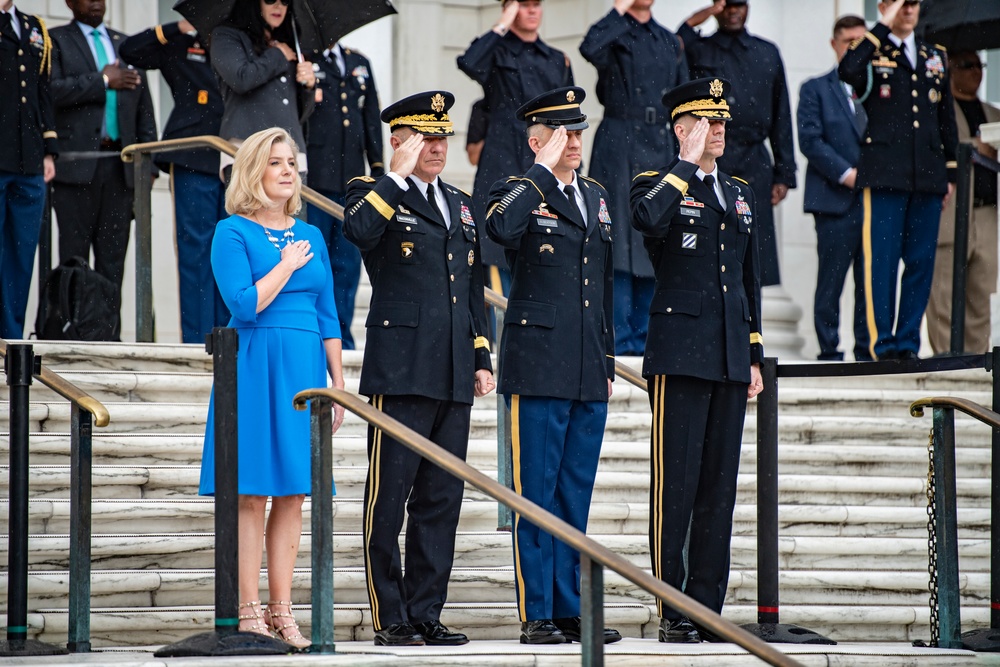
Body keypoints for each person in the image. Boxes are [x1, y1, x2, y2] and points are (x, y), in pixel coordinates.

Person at [343, 91, 494, 647]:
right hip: (401, 369)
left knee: (440, 500)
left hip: (453, 370)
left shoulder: (459, 202)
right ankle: (391, 615)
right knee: (389, 496)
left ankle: (427, 611)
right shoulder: (372, 193)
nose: (437, 147)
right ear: (399, 142)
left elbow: (472, 287)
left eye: (441, 137)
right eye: (425, 137)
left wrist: (481, 353)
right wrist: (394, 178)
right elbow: (358, 233)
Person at [198, 127, 345, 648]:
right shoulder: (231, 232)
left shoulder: (314, 234)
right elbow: (242, 304)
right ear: (253, 171)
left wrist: (339, 381)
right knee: (251, 492)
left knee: (294, 493)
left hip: (306, 365)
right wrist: (284, 264)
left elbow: (329, 312)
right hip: (255, 363)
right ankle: (247, 607)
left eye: (292, 163)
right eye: (276, 162)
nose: (288, 171)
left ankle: (283, 610)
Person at [630, 77, 764, 643]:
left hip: (731, 355)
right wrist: (684, 165)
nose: (720, 131)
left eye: (724, 123)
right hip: (681, 353)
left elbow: (748, 276)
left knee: (718, 488)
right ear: (682, 131)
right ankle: (672, 608)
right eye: (708, 123)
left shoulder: (738, 190)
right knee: (677, 486)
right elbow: (648, 222)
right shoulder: (656, 183)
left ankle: (707, 607)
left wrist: (754, 351)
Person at [485, 87, 620, 646]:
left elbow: (603, 285)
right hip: (537, 363)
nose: (575, 143)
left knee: (573, 492)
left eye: (579, 132)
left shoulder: (594, 194)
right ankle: (535, 609)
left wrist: (608, 357)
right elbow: (500, 232)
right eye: (563, 134)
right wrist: (540, 172)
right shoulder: (516, 189)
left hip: (587, 364)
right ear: (537, 141)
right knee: (533, 492)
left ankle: (569, 607)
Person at [839, 0, 958, 360]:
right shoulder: (874, 48)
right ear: (884, 6)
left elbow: (944, 116)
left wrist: (950, 172)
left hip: (927, 175)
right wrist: (881, 26)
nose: (909, 9)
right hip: (885, 173)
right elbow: (847, 70)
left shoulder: (934, 54)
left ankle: (907, 343)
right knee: (883, 261)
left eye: (914, 3)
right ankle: (882, 345)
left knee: (921, 262)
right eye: (901, 3)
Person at [579, 0, 688, 357]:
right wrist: (618, 10)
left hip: (660, 141)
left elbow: (682, 97)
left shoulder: (669, 40)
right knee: (616, 235)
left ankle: (645, 334)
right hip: (619, 142)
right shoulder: (613, 30)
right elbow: (589, 48)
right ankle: (618, 335)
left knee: (654, 232)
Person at [49, 0, 157, 339]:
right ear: (69, 2)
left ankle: (108, 335)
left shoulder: (125, 44)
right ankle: (72, 332)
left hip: (120, 169)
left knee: (113, 260)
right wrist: (101, 81)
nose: (96, 2)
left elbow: (145, 109)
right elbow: (51, 92)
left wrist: (147, 167)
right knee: (74, 257)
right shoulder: (56, 41)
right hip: (75, 168)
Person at [119, 19, 230, 344]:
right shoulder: (181, 42)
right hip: (192, 152)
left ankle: (229, 342)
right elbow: (130, 50)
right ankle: (199, 342)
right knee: (196, 253)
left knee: (232, 252)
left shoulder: (242, 43)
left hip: (237, 157)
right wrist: (177, 27)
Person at [677, 0, 796, 287]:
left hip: (755, 160)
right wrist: (703, 15)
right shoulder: (701, 48)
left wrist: (784, 172)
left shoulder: (766, 52)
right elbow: (676, 43)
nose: (734, 11)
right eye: (727, 5)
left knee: (754, 251)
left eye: (739, 4)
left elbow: (782, 115)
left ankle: (752, 328)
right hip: (712, 157)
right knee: (711, 244)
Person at [457, 0, 573, 291]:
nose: (532, 10)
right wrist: (503, 23)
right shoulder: (495, 51)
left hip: (545, 162)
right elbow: (469, 62)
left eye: (537, 4)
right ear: (509, 9)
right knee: (498, 259)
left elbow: (568, 118)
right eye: (524, 4)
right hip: (503, 161)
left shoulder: (557, 58)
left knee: (546, 252)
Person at [797, 15, 870, 361]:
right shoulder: (815, 88)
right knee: (832, 279)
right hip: (835, 200)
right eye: (849, 43)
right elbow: (811, 140)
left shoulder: (878, 90)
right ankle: (829, 350)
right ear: (834, 44)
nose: (855, 50)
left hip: (874, 201)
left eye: (862, 43)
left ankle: (866, 350)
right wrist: (848, 174)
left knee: (870, 283)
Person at [304, 42, 383, 351]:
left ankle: (340, 337)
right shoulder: (303, 59)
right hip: (315, 184)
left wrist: (377, 171)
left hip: (353, 184)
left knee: (347, 266)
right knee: (315, 266)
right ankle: (315, 336)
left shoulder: (358, 60)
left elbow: (371, 118)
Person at [926, 49, 1000, 355]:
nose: (976, 72)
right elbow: (938, 145)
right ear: (952, 69)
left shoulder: (993, 114)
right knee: (943, 288)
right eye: (967, 65)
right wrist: (974, 145)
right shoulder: (939, 108)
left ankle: (975, 360)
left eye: (979, 65)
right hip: (952, 207)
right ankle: (945, 359)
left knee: (981, 291)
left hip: (986, 210)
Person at [0, 0, 57, 339]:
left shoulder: (33, 26)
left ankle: (12, 338)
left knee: (22, 253)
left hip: (28, 157)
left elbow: (41, 91)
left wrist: (49, 150)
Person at [211, 0, 316, 176]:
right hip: (247, 146)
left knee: (295, 205)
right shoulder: (226, 36)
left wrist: (309, 86)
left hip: (291, 152)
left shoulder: (290, 44)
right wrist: (277, 55)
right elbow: (241, 79)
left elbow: (301, 114)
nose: (278, 5)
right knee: (250, 204)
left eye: (285, 0)